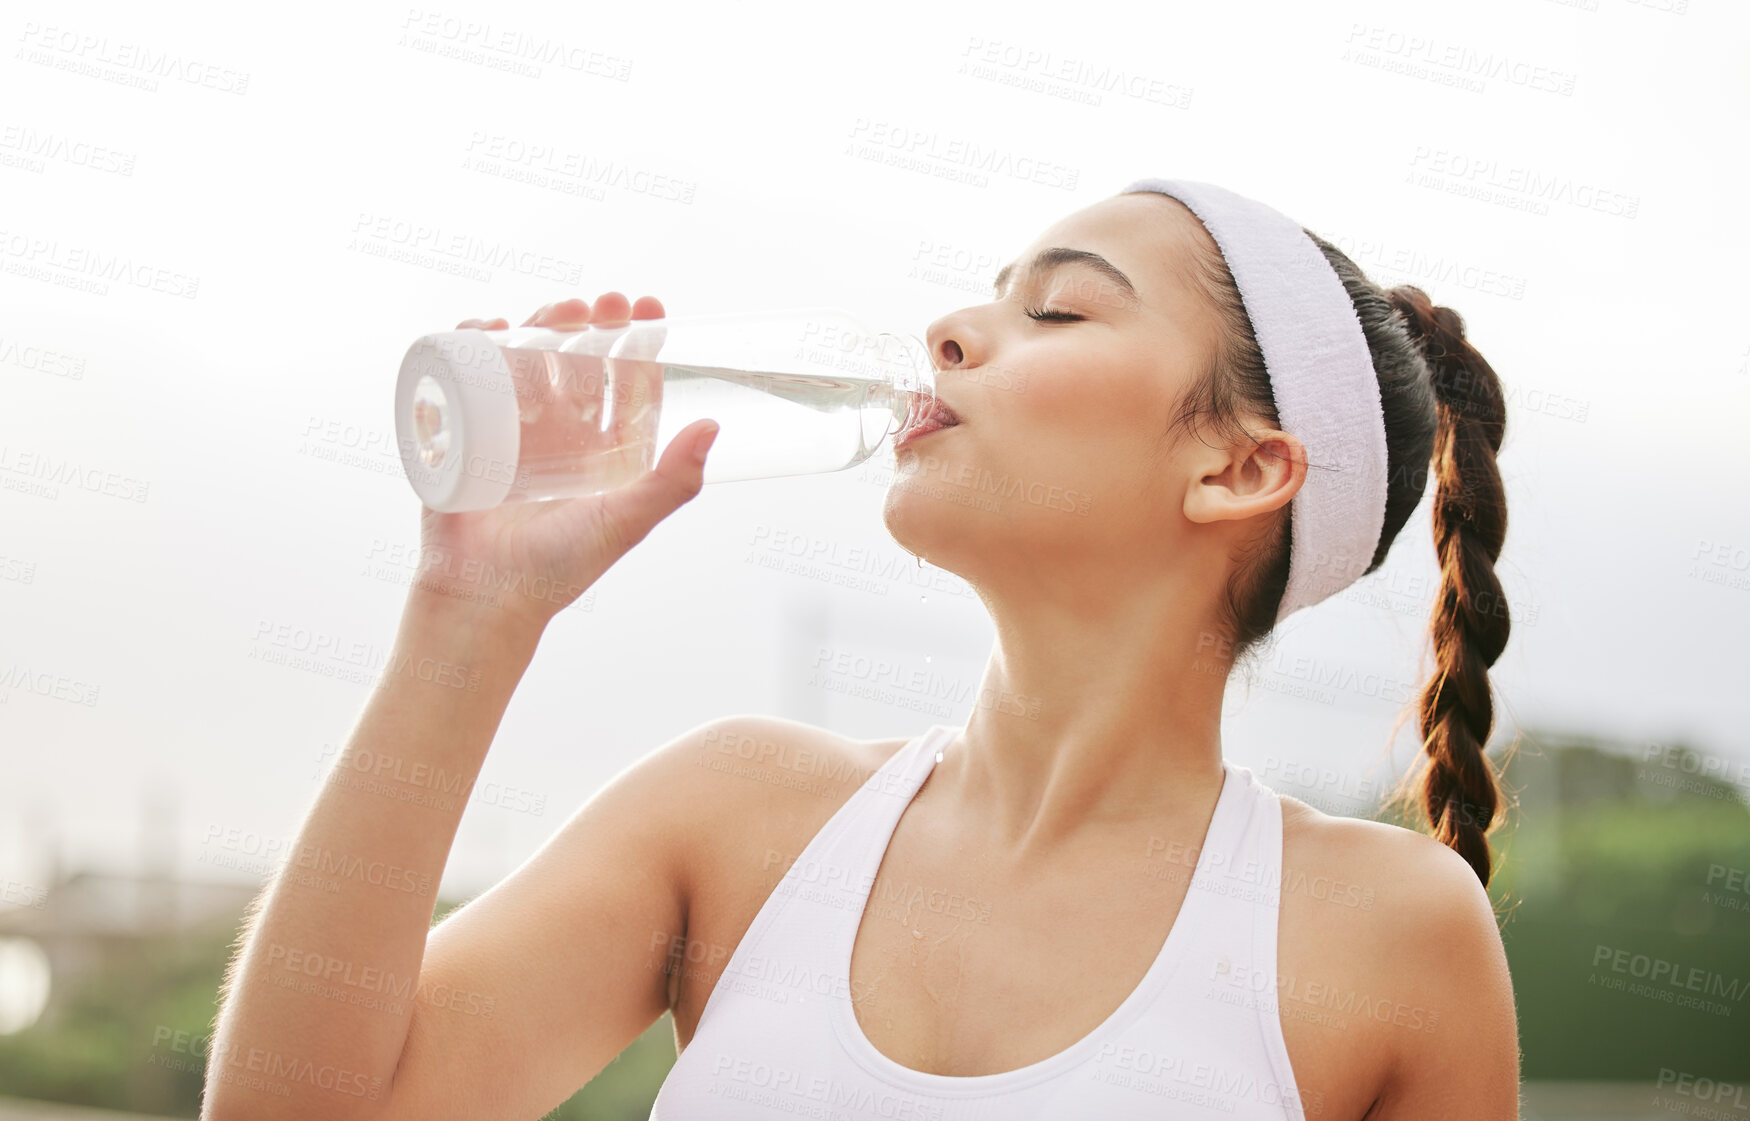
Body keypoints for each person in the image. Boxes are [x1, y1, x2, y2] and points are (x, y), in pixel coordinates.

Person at [203, 178, 1521, 1121]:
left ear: (1239, 467)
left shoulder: (1386, 936)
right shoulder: (741, 816)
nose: (952, 329)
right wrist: (468, 618)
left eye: (1060, 312)